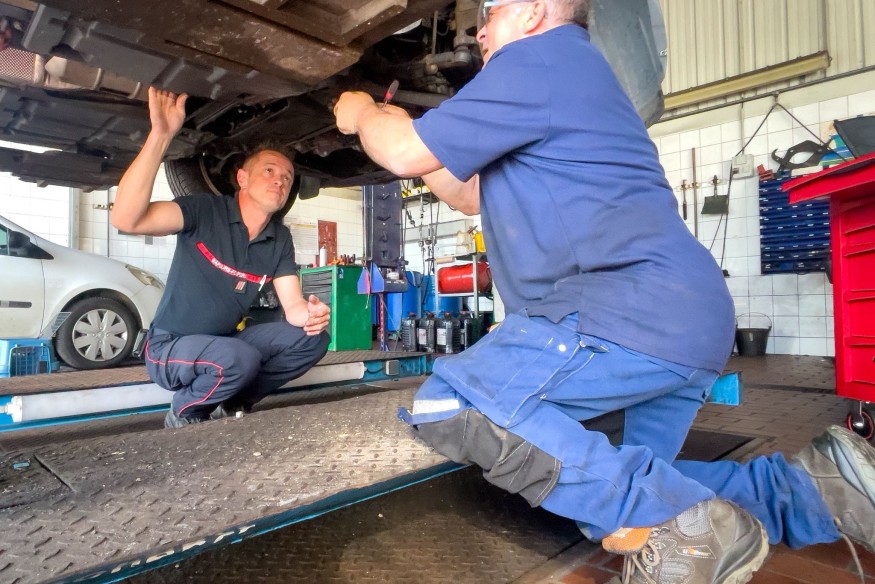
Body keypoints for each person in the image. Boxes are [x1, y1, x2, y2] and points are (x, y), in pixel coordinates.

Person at [333, 1, 875, 583]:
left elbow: (401, 152)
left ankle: (685, 525)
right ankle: (812, 491)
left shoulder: (536, 58)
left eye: (492, 10)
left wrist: (362, 112)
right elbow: (468, 194)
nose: (480, 30)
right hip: (684, 323)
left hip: (621, 311)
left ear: (535, 11)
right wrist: (411, 133)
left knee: (454, 403)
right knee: (611, 494)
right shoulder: (569, 74)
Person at [112, 87, 331, 429]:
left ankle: (232, 402)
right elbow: (127, 219)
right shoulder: (205, 211)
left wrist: (312, 315)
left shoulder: (279, 239)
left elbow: (293, 308)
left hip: (224, 344)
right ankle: (185, 412)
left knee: (313, 339)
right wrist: (161, 136)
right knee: (237, 357)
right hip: (170, 347)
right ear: (242, 178)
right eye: (269, 171)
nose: (279, 181)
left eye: (287, 178)